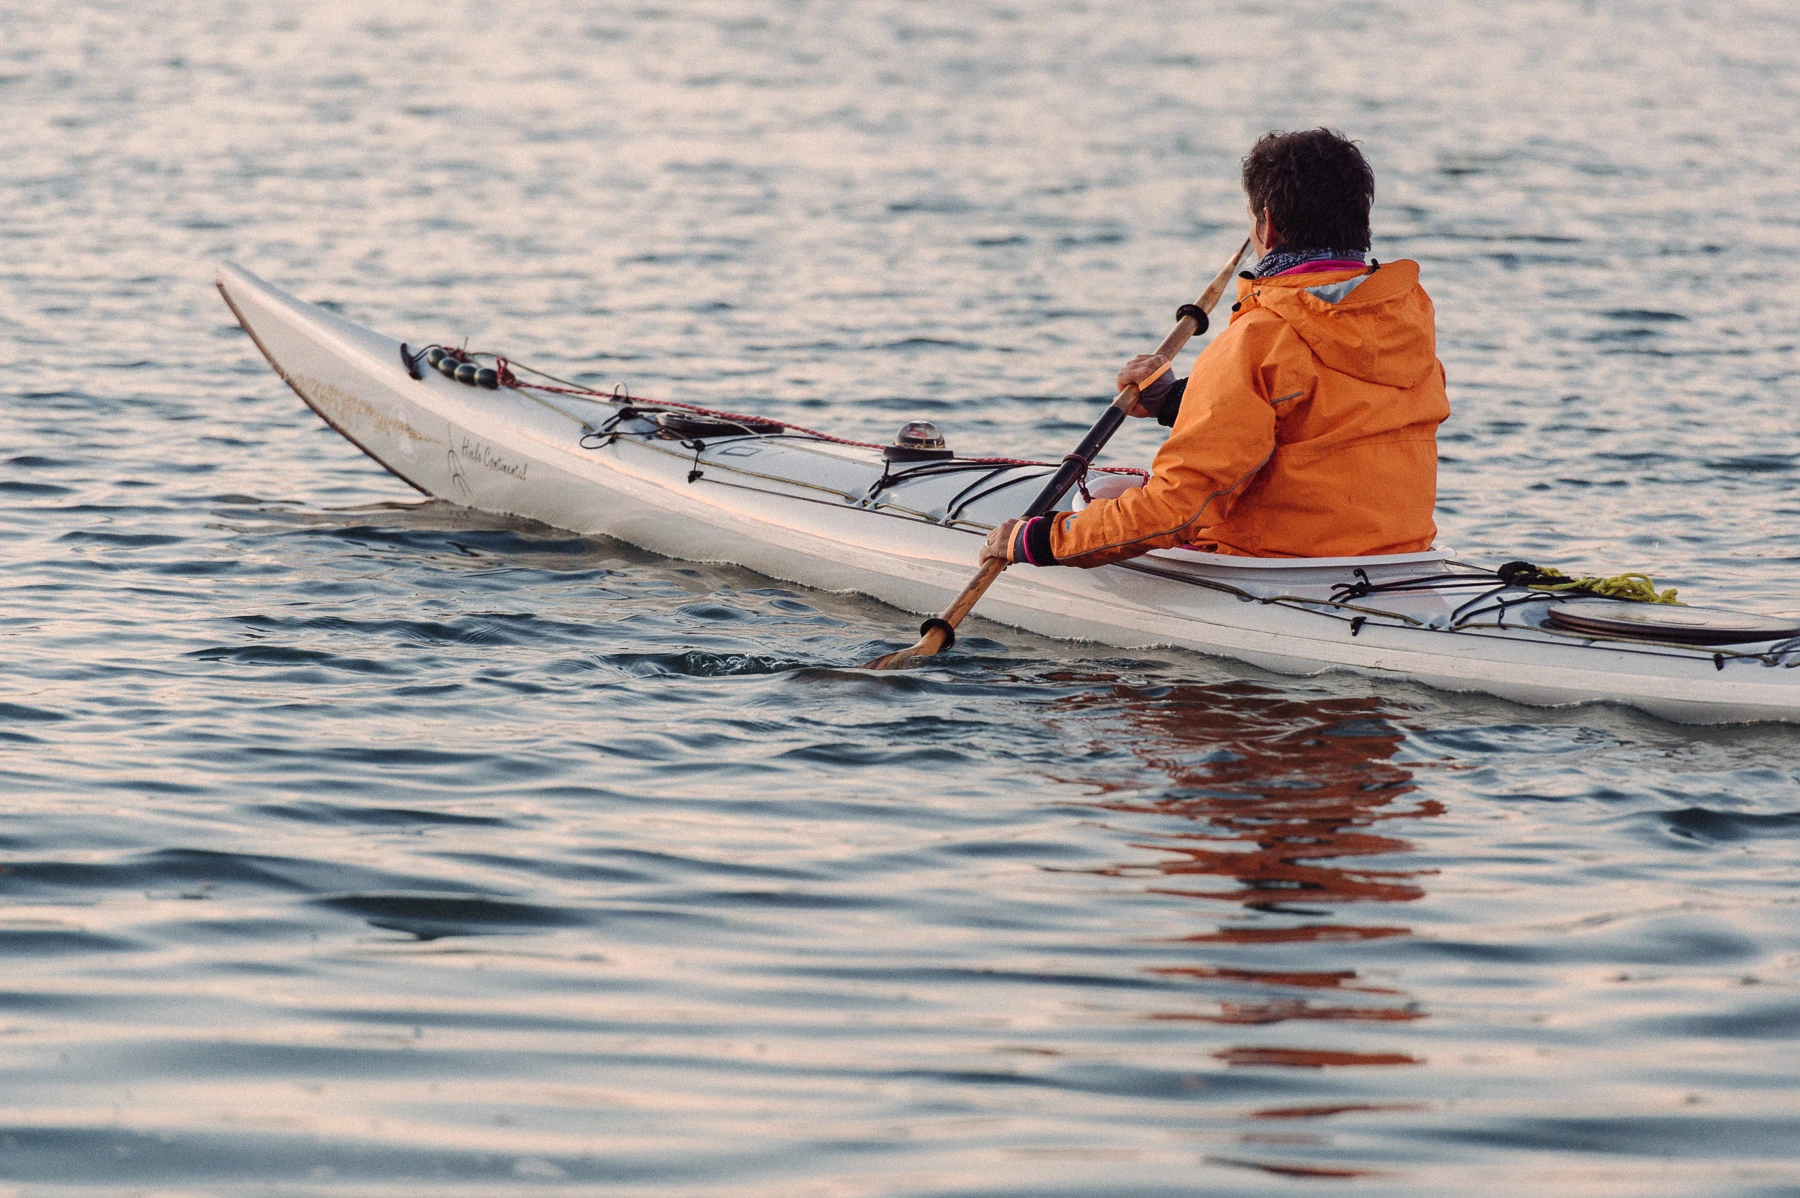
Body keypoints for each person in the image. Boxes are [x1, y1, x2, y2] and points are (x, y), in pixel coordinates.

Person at [984, 128, 1450, 568]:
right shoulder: (1406, 316)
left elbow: (1178, 508)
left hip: (1279, 566)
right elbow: (1319, 409)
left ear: (1266, 227)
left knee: (1104, 497)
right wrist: (1174, 400)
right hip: (1398, 556)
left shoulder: (1259, 337)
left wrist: (1040, 541)